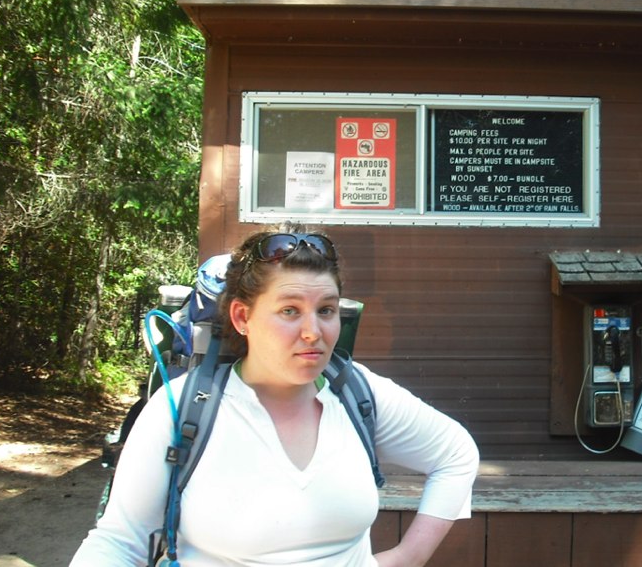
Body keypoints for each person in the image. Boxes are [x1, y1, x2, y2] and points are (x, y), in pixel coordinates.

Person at [70, 222, 479, 566]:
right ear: (242, 317)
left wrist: (409, 556)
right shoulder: (183, 408)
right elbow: (119, 543)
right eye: (289, 310)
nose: (313, 331)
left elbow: (456, 453)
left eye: (326, 310)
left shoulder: (357, 393)